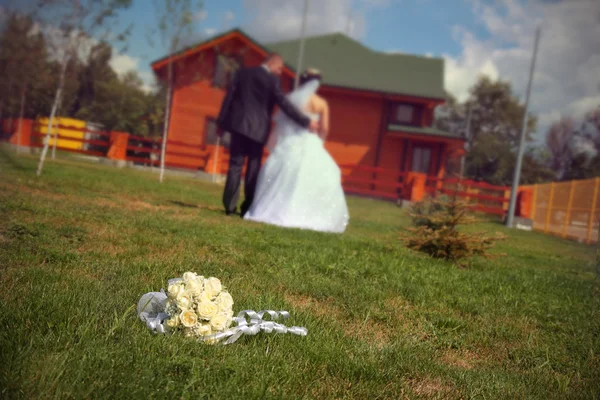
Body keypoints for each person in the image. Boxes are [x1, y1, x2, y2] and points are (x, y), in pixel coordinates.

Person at [243, 69, 349, 234]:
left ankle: (277, 209)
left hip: (292, 142)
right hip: (311, 141)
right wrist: (320, 141)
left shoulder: (292, 99)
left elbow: (282, 123)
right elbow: (325, 128)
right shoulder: (321, 103)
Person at [216, 53, 320, 217]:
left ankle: (229, 206)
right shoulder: (272, 81)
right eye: (279, 68)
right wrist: (306, 122)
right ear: (271, 63)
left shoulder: (243, 74)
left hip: (238, 126)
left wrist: (221, 123)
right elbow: (284, 104)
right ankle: (247, 208)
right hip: (258, 130)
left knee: (235, 166)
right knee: (253, 169)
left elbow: (228, 98)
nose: (280, 72)